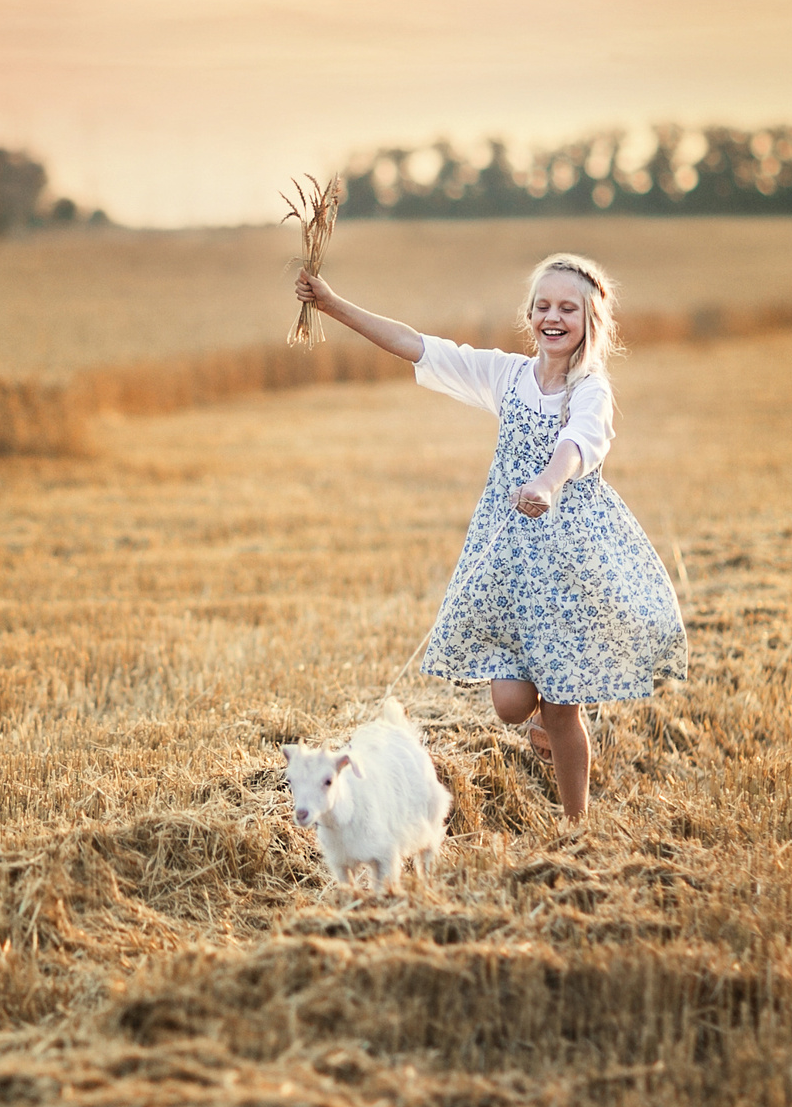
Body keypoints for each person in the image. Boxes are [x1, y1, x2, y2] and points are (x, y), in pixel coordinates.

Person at [293, 251, 686, 819]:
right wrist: (330, 304)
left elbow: (579, 444)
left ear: (590, 322)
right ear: (529, 314)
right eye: (543, 305)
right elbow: (416, 344)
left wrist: (549, 484)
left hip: (570, 566)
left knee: (559, 709)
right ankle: (546, 730)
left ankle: (575, 823)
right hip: (509, 560)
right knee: (508, 704)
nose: (554, 316)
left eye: (568, 308)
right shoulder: (508, 376)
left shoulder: (590, 391)